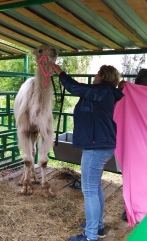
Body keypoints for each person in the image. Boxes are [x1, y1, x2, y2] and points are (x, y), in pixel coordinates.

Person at [51, 64, 124, 241]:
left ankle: (90, 236)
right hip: (101, 144)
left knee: (89, 189)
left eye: (97, 73)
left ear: (103, 76)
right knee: (95, 186)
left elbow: (75, 87)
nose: (95, 75)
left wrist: (59, 72)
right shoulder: (104, 92)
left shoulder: (101, 90)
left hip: (96, 147)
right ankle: (97, 227)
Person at [114, 68, 147, 226]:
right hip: (139, 146)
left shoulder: (131, 95)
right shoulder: (131, 94)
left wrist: (124, 89)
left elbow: (115, 111)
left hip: (136, 149)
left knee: (135, 177)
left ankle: (135, 207)